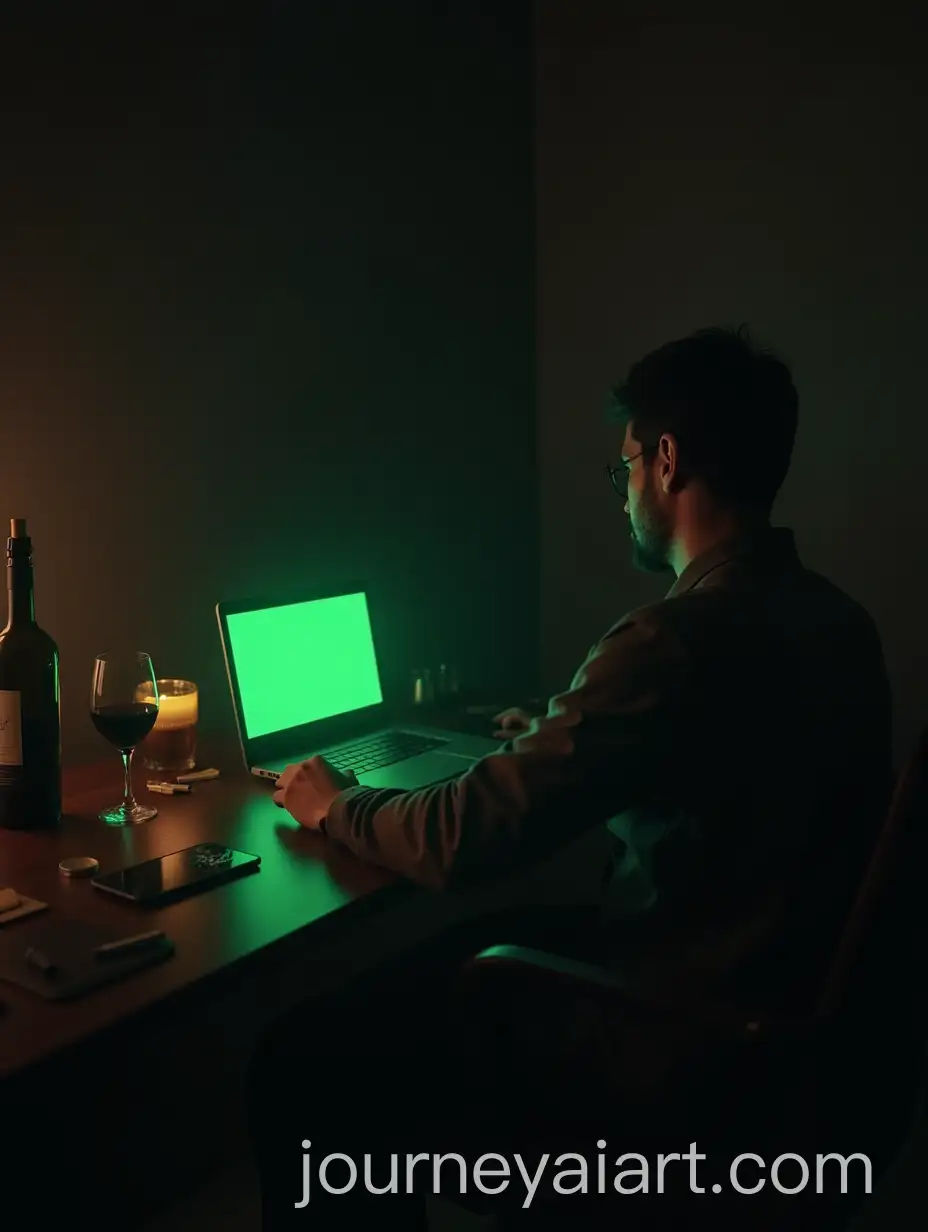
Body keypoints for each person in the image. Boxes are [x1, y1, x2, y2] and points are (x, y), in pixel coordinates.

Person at [248, 325, 892, 1227]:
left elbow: (463, 837)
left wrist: (338, 803)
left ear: (666, 461)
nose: (623, 492)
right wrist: (567, 730)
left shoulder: (669, 641)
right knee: (461, 951)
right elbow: (726, 764)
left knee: (304, 1056)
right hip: (773, 1001)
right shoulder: (841, 622)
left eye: (624, 465)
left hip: (674, 1024)